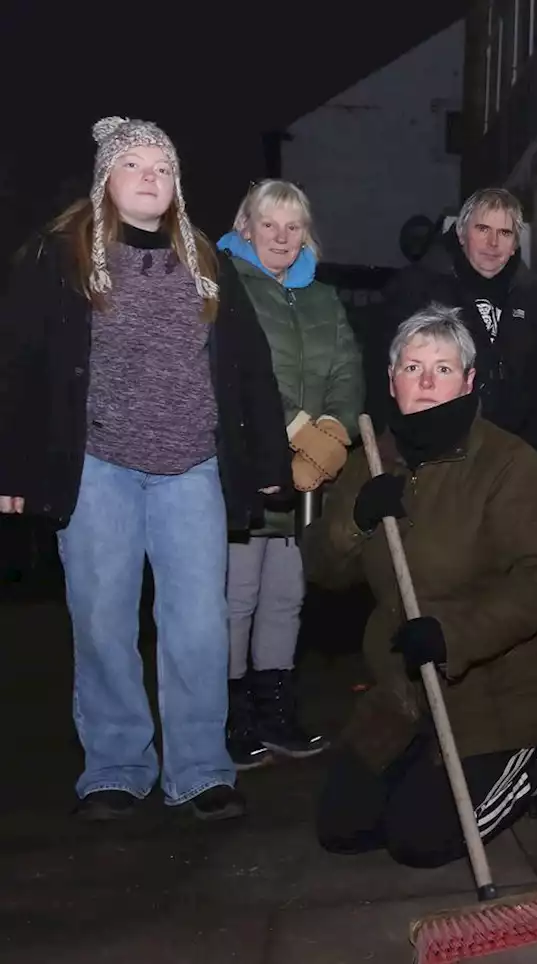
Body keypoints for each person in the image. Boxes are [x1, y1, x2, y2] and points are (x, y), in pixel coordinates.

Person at [0, 117, 290, 821]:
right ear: (106, 179)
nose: (151, 175)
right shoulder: (59, 257)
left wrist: (269, 460)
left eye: (163, 165)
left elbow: (250, 367)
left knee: (197, 625)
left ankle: (199, 770)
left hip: (192, 467)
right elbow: (18, 365)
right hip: (97, 468)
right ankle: (116, 767)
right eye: (134, 164)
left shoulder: (207, 262)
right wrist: (13, 463)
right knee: (102, 621)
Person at [309, 306, 537, 868]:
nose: (428, 382)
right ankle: (421, 760)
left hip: (493, 693)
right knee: (343, 828)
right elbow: (323, 569)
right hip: (403, 693)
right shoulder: (371, 462)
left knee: (421, 841)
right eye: (412, 368)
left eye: (443, 368)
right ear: (392, 382)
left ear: (469, 380)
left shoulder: (507, 463)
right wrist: (356, 520)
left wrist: (452, 635)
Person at [216, 180, 364, 769]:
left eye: (293, 226)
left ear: (307, 233)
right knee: (237, 595)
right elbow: (228, 374)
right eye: (268, 224)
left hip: (311, 472)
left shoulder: (324, 298)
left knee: (286, 596)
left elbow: (350, 368)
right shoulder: (224, 286)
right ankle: (228, 718)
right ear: (246, 226)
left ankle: (275, 714)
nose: (281, 237)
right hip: (248, 465)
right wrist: (297, 427)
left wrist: (333, 430)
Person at [368, 188, 537, 466]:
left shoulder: (534, 300)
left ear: (516, 244)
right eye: (483, 228)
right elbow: (380, 367)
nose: (493, 242)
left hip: (513, 460)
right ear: (460, 234)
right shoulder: (416, 289)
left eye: (505, 233)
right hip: (434, 457)